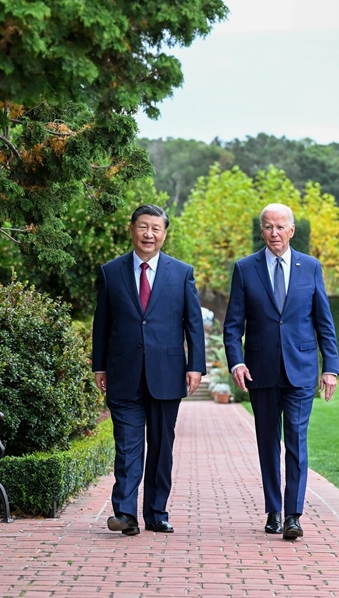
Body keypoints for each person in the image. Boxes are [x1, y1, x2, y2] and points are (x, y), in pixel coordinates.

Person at [223, 203, 339, 540]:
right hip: (260, 371)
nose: (274, 233)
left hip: (301, 371)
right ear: (262, 231)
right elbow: (233, 326)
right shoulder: (245, 269)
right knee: (268, 443)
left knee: (297, 443)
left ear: (291, 230)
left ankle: (293, 515)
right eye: (268, 227)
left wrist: (330, 368)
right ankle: (273, 511)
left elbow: (324, 324)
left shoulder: (310, 267)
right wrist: (236, 361)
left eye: (280, 227)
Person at [92, 204, 206, 535]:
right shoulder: (111, 272)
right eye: (143, 227)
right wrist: (99, 364)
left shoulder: (181, 272)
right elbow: (103, 324)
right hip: (123, 373)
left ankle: (156, 512)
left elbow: (193, 324)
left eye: (156, 228)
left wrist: (195, 366)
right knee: (127, 445)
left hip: (167, 373)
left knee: (160, 446)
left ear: (164, 234)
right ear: (132, 229)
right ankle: (125, 513)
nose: (149, 234)